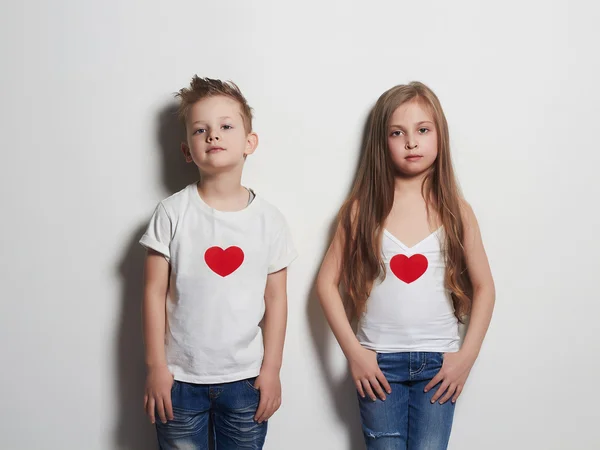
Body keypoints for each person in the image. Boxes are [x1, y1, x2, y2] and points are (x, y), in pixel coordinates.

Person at [316, 82, 495, 449]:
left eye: (422, 130)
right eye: (398, 133)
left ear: (439, 137)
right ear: (382, 142)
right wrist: (355, 354)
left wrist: (467, 357)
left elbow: (485, 287)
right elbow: (325, 284)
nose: (411, 142)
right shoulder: (361, 210)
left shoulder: (457, 211)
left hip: (438, 366)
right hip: (378, 367)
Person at [139, 76, 297, 449]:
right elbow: (152, 293)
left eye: (226, 126)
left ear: (249, 142)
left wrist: (272, 370)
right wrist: (156, 368)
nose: (213, 136)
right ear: (186, 149)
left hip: (245, 381)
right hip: (179, 381)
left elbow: (276, 300)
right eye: (201, 130)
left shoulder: (269, 220)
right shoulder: (172, 213)